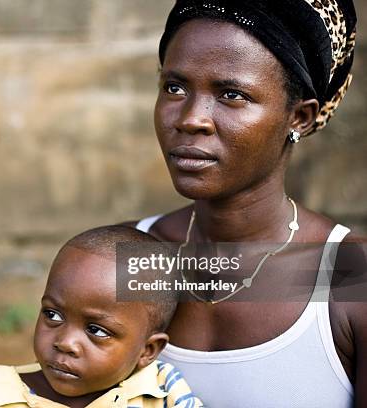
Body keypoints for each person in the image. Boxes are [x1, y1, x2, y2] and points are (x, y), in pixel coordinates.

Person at [129, 0, 366, 406]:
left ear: (301, 118)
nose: (191, 118)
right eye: (174, 87)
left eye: (232, 94)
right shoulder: (125, 258)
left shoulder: (351, 281)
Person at [0, 226, 203, 407]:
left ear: (148, 350)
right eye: (53, 314)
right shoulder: (7, 390)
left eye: (96, 330)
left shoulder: (162, 389)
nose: (65, 343)